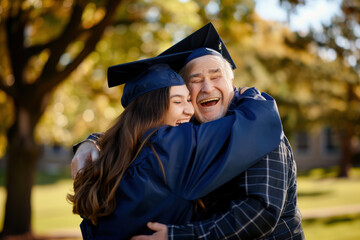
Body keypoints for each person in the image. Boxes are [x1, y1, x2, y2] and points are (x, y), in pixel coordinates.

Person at [72, 23, 304, 239]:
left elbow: (260, 213)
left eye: (216, 76)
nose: (206, 87)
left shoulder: (264, 136)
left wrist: (179, 235)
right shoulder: (185, 133)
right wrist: (91, 142)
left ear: (232, 82)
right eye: (195, 81)